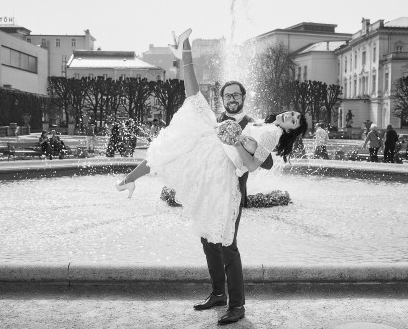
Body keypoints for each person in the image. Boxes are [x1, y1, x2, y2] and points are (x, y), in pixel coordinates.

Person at [116, 29, 307, 325]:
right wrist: (230, 136)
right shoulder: (232, 121)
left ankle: (237, 304)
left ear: (243, 97)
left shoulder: (254, 123)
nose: (232, 98)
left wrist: (238, 139)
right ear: (224, 99)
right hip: (209, 179)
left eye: (236, 95)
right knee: (207, 239)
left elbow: (262, 162)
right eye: (227, 95)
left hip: (230, 187)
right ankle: (218, 293)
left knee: (227, 246)